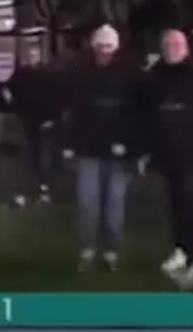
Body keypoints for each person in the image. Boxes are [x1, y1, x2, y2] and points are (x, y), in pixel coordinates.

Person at [62, 24, 143, 272]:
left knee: (114, 206)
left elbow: (136, 115)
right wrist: (69, 144)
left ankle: (111, 251)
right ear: (93, 47)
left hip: (118, 152)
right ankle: (87, 250)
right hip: (87, 149)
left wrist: (132, 148)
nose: (103, 51)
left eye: (108, 47)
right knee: (87, 203)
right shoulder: (81, 73)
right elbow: (73, 112)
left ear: (115, 48)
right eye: (100, 46)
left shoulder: (129, 74)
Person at [141, 29, 193, 285]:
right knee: (177, 205)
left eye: (177, 44)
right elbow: (146, 115)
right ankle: (181, 250)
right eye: (168, 45)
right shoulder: (154, 77)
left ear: (185, 48)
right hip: (169, 154)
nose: (172, 49)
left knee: (189, 203)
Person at [3, 45, 62, 206]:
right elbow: (7, 90)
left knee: (44, 157)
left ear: (40, 56)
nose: (33, 58)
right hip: (27, 120)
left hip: (44, 121)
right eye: (31, 55)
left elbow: (57, 97)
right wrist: (14, 104)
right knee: (28, 157)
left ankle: (44, 189)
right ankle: (28, 190)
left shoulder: (48, 75)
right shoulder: (21, 74)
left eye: (35, 55)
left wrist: (52, 118)